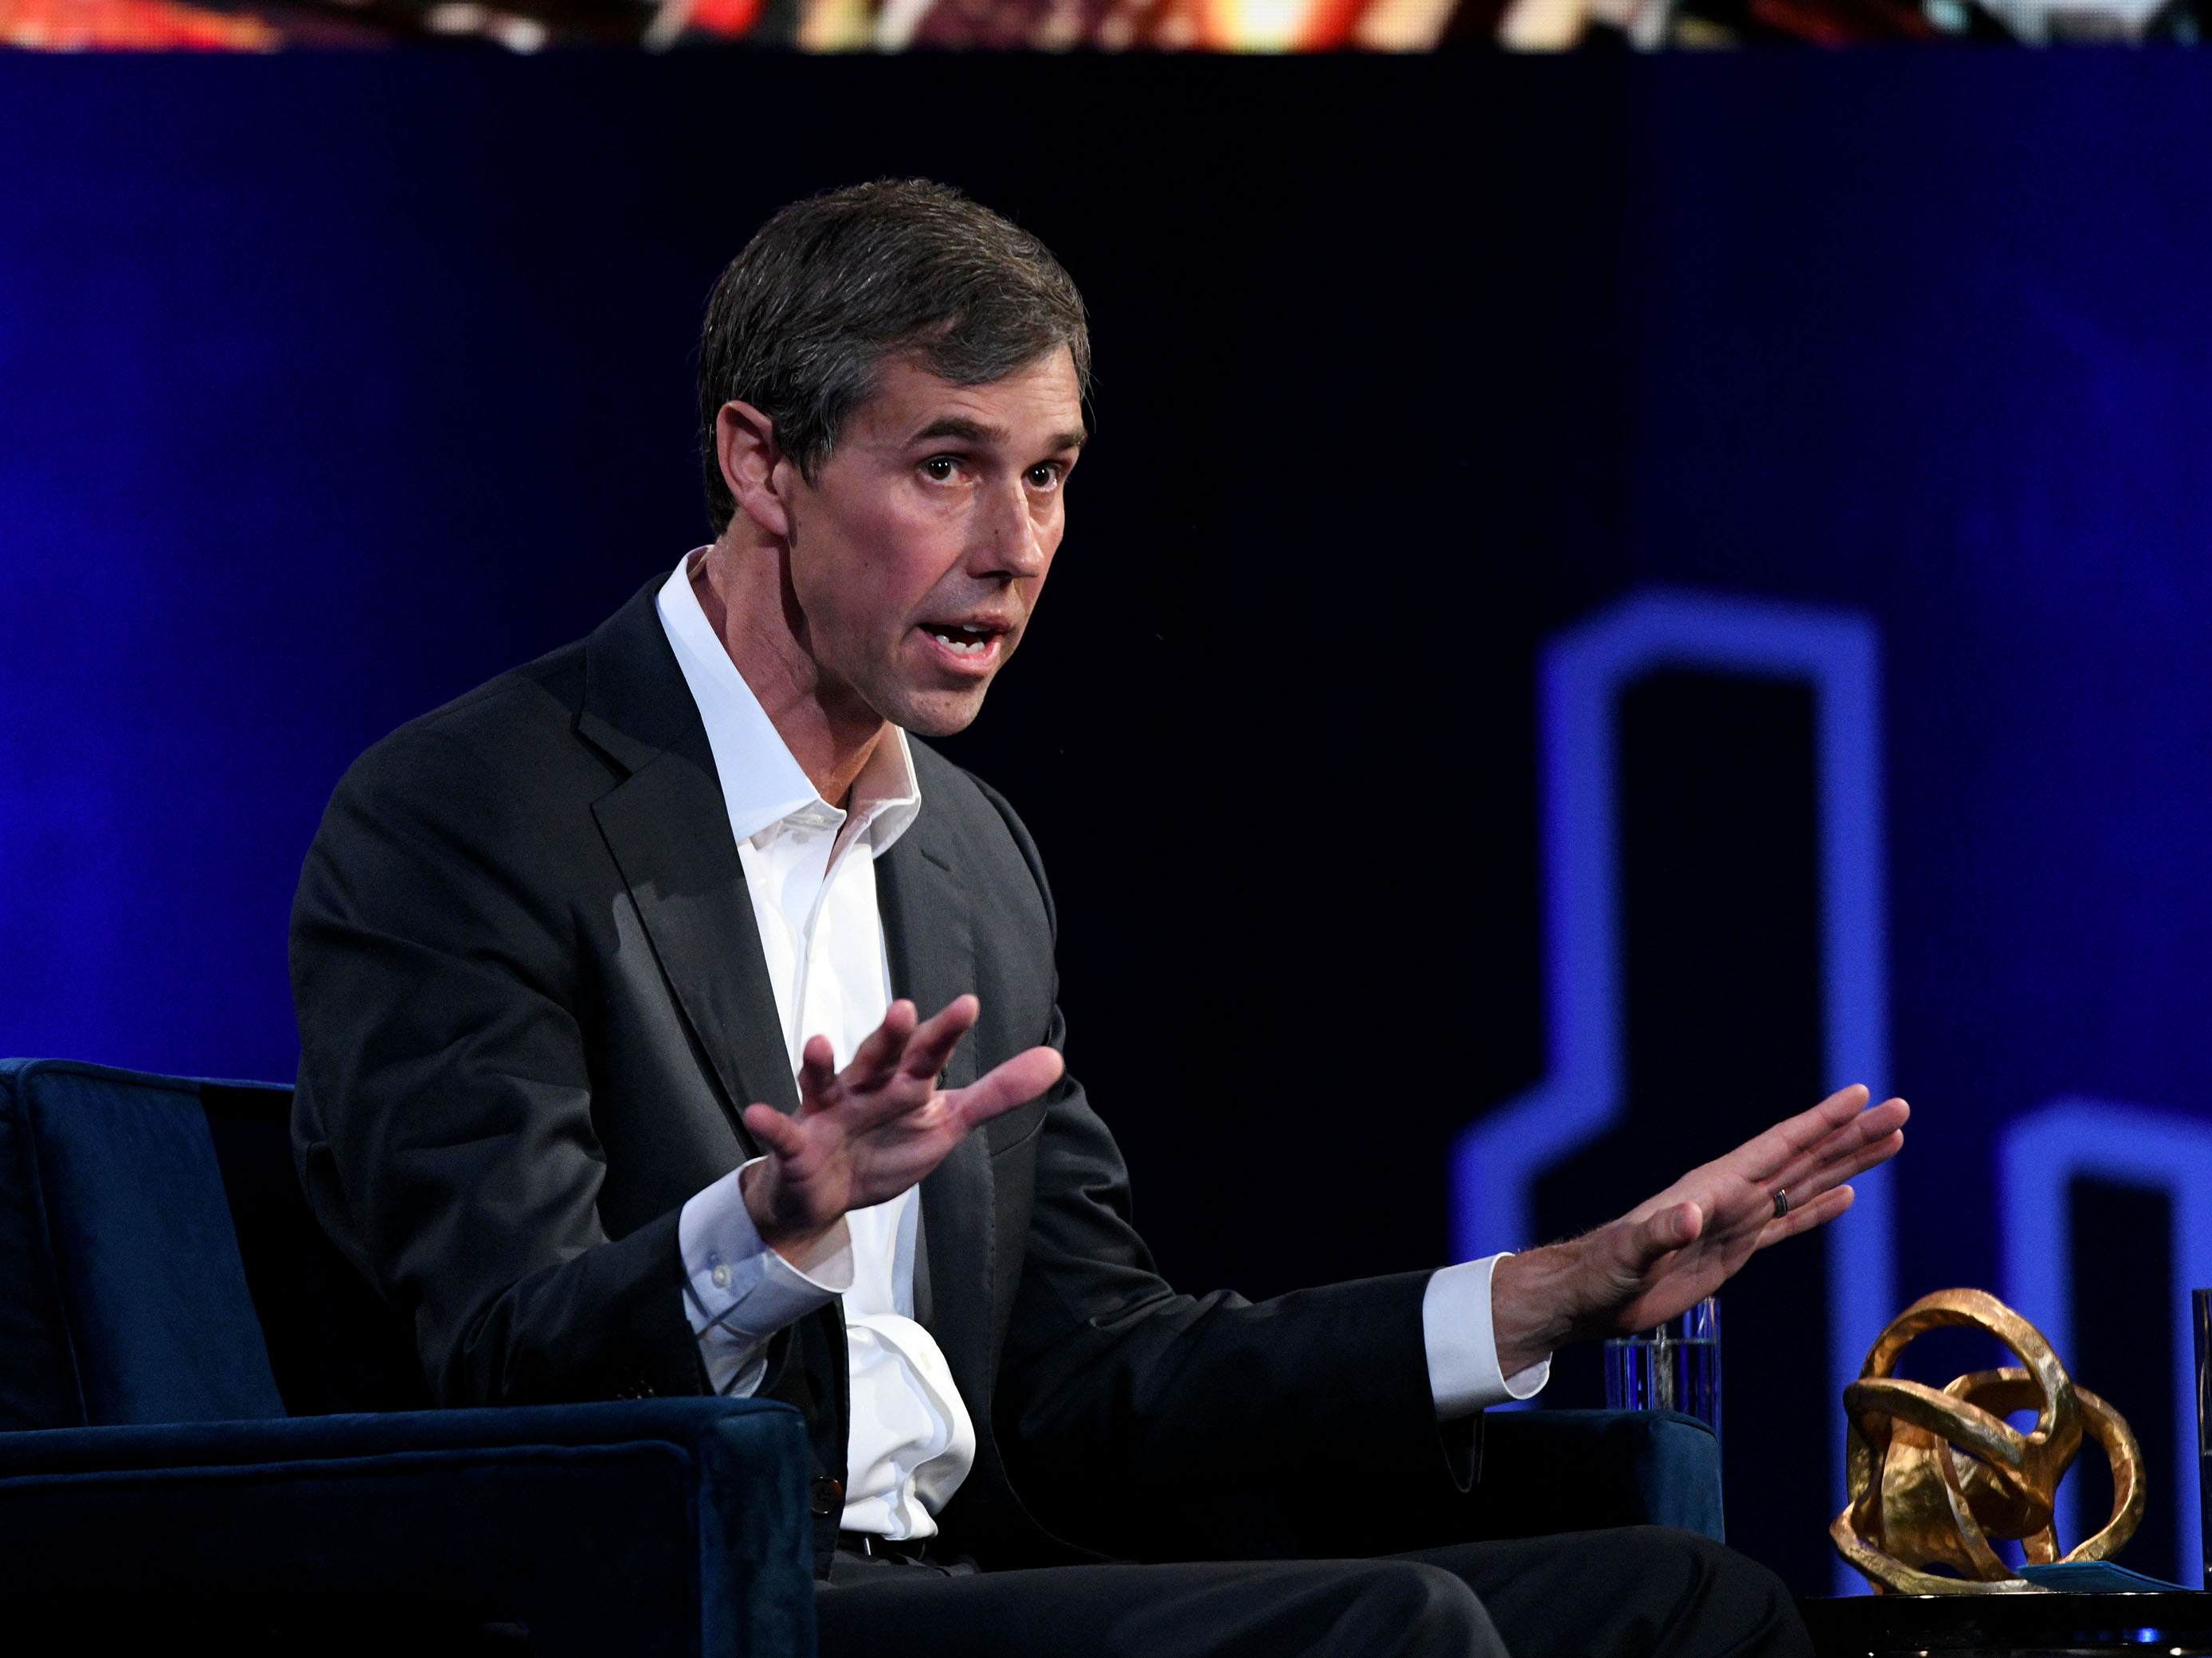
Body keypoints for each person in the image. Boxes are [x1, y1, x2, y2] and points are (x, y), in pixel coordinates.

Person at [288, 178, 1909, 1658]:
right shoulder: (472, 811)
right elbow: (495, 1364)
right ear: (760, 461)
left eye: (1048, 477)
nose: (1014, 553)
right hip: (687, 1605)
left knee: (1686, 1604)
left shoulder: (974, 859)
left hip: (963, 1584)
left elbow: (1091, 1373)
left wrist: (1535, 1297)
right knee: (1393, 1634)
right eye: (947, 467)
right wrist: (765, 1235)